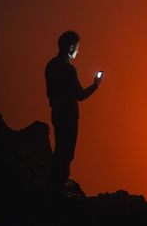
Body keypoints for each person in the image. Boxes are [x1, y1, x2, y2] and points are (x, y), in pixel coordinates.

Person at [45, 30, 102, 192]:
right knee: (66, 152)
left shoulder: (50, 65)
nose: (78, 50)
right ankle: (58, 187)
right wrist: (96, 85)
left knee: (59, 149)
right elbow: (80, 95)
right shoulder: (68, 70)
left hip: (56, 113)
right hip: (68, 116)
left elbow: (49, 92)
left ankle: (54, 184)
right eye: (77, 47)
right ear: (71, 47)